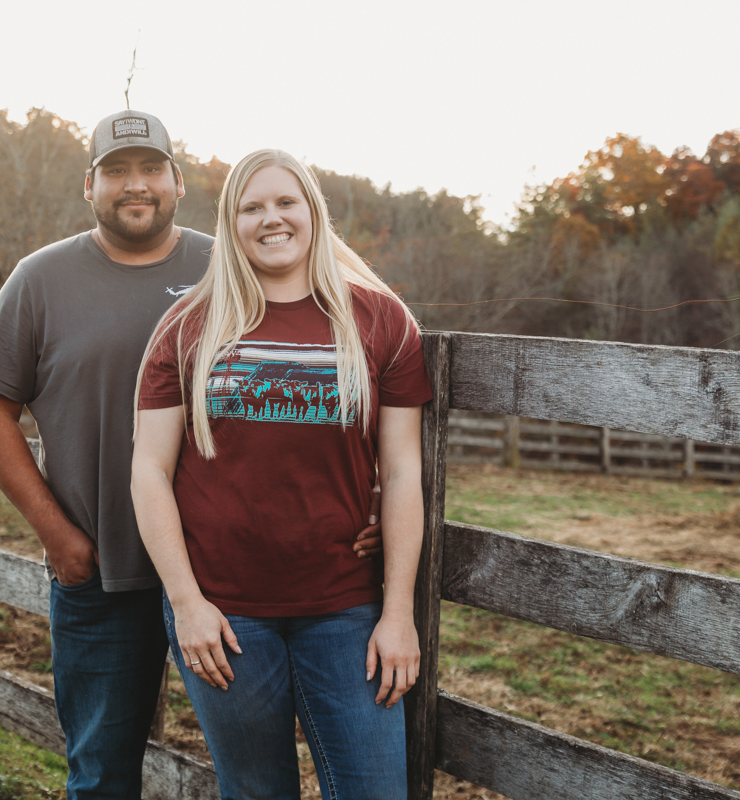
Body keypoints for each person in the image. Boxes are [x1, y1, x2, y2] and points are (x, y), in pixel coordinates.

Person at [0, 114, 383, 800]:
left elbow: (353, 337)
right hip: (103, 573)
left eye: (152, 169)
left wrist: (368, 499)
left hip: (226, 580)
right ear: (89, 185)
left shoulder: (232, 261)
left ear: (179, 182)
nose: (137, 186)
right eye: (117, 171)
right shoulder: (38, 280)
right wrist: (58, 537)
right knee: (101, 773)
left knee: (254, 777)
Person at [131, 148, 430, 800]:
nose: (272, 219)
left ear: (314, 213)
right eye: (252, 207)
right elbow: (149, 471)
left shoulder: (379, 320)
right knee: (258, 792)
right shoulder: (188, 326)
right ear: (231, 223)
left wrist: (399, 612)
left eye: (286, 202)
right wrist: (187, 606)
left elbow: (404, 470)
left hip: (347, 611)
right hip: (226, 617)